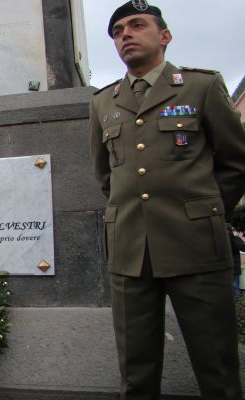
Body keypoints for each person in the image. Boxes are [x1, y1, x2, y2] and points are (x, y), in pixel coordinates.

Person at [89, 2, 245, 399]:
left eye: (137, 25)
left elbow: (236, 161)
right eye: (118, 30)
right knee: (136, 374)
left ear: (164, 36)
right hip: (130, 251)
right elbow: (105, 174)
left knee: (217, 370)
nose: (125, 34)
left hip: (195, 244)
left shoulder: (200, 86)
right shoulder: (103, 101)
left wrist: (203, 211)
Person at [229, 226, 245, 296]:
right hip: (233, 267)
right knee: (235, 287)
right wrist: (236, 237)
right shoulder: (233, 239)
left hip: (232, 267)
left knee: (234, 287)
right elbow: (242, 247)